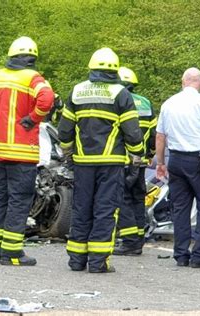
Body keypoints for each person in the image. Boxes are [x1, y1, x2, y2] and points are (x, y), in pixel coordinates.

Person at [0, 36, 54, 266]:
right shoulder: (33, 78)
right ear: (32, 58)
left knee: (3, 200)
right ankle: (13, 254)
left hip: (0, 151)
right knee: (20, 201)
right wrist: (33, 118)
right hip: (23, 152)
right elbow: (48, 99)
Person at [58, 48, 143, 273]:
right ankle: (98, 262)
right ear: (115, 70)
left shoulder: (77, 91)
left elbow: (65, 130)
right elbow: (132, 131)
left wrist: (68, 152)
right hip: (110, 162)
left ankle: (76, 260)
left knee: (81, 208)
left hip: (83, 161)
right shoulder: (120, 93)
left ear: (91, 68)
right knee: (105, 210)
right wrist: (137, 155)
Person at [156, 67, 200, 268]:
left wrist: (160, 163)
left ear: (182, 81)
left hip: (176, 159)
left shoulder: (168, 104)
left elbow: (160, 136)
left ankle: (181, 254)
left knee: (180, 208)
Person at [114, 67, 157, 256]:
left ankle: (130, 241)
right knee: (138, 198)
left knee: (121, 199)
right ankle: (139, 238)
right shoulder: (146, 102)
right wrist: (150, 154)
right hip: (140, 160)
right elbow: (154, 135)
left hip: (123, 159)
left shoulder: (118, 101)